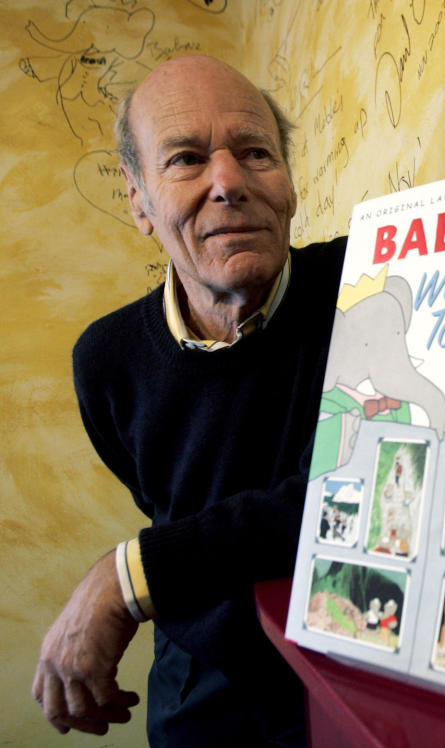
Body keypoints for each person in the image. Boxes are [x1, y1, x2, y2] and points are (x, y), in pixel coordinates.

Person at [31, 54, 346, 746]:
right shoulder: (106, 362)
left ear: (289, 184)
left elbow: (345, 495)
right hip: (195, 698)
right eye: (186, 159)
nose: (228, 182)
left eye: (255, 152)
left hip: (346, 688)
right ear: (139, 200)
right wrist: (149, 571)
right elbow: (173, 506)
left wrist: (128, 575)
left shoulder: (370, 289)